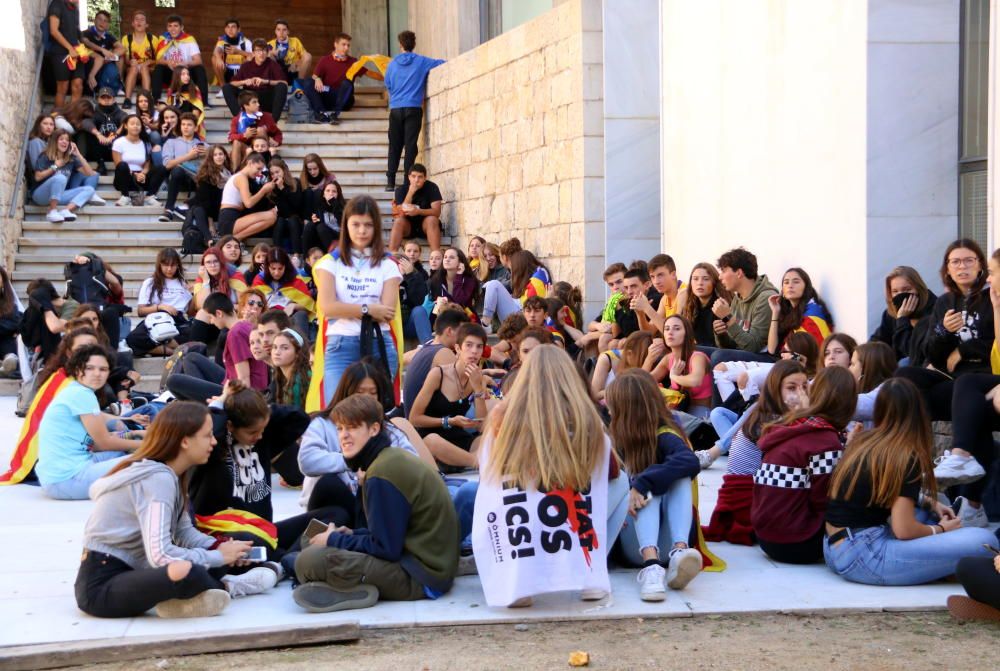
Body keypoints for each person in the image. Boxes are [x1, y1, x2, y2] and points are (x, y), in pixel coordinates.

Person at [76, 401, 282, 619]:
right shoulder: (157, 478)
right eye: (207, 435)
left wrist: (222, 546)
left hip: (137, 571)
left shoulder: (172, 475)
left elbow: (184, 533)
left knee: (224, 553)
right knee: (185, 570)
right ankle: (230, 587)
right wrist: (219, 557)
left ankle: (192, 596)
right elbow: (160, 554)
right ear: (185, 441)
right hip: (101, 586)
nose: (213, 441)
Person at [472, 345, 621, 607]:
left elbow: (488, 472)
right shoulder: (587, 419)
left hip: (521, 520)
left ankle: (520, 585)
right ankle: (590, 577)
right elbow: (607, 471)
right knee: (620, 484)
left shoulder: (502, 416)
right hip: (568, 514)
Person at [293, 394, 458, 612]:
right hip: (423, 563)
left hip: (421, 576)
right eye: (340, 429)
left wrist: (334, 539)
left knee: (307, 562)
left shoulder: (382, 472)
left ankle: (352, 590)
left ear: (374, 429)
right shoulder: (386, 459)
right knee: (310, 540)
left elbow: (386, 549)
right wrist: (350, 535)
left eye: (352, 428)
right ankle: (341, 585)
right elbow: (388, 535)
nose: (344, 436)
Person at [825, 378, 997, 585]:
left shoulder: (865, 441)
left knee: (928, 510)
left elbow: (883, 492)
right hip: (865, 556)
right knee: (984, 542)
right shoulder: (904, 454)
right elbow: (903, 530)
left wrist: (931, 502)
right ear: (918, 413)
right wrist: (941, 530)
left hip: (833, 547)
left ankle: (933, 562)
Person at [606, 369, 704, 600]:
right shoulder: (613, 440)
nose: (608, 411)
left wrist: (642, 482)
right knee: (649, 481)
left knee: (669, 477)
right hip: (633, 542)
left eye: (613, 406)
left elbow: (690, 460)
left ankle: (680, 554)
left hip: (667, 541)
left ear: (628, 410)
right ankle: (651, 567)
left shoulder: (665, 434)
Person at [751, 366, 857, 564]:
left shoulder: (793, 424)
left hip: (765, 537)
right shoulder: (826, 440)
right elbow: (824, 501)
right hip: (797, 543)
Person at [702, 360, 809, 545]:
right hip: (746, 497)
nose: (800, 393)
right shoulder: (770, 416)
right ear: (776, 389)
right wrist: (806, 413)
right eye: (792, 387)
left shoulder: (767, 409)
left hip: (749, 492)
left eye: (805, 387)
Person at [311, 195, 402, 405]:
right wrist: (368, 308)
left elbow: (387, 311)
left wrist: (349, 308)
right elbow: (328, 307)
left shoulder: (388, 264)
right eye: (356, 224)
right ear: (346, 225)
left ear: (376, 227)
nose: (362, 231)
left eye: (368, 225)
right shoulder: (330, 263)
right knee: (337, 411)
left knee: (378, 412)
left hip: (380, 342)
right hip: (341, 343)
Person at [896, 239, 995, 421]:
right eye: (955, 262)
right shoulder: (945, 302)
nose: (962, 266)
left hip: (982, 374)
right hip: (950, 374)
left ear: (980, 265)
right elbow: (932, 353)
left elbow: (996, 342)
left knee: (933, 396)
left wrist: (964, 350)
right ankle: (917, 438)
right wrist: (944, 330)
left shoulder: (992, 297)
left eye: (968, 260)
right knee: (904, 375)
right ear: (948, 269)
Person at [36, 345, 143, 500]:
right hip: (67, 480)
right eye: (90, 368)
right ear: (78, 370)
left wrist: (134, 434)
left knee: (119, 452)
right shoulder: (81, 394)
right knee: (147, 461)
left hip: (58, 476)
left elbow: (97, 443)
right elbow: (104, 442)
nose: (97, 374)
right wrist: (150, 446)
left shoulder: (76, 390)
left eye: (103, 369)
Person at [408, 323, 489, 470]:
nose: (474, 352)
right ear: (458, 348)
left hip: (455, 435)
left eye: (479, 347)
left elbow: (482, 425)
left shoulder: (478, 378)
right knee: (433, 441)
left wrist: (478, 389)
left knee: (489, 439)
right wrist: (450, 421)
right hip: (429, 435)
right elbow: (414, 418)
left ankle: (467, 460)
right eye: (469, 345)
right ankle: (476, 462)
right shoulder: (438, 374)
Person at [383, 31, 445, 191]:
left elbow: (388, 84)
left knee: (394, 145)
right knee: (410, 146)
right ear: (413, 44)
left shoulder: (392, 64)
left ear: (401, 45)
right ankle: (406, 181)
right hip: (414, 108)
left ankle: (390, 181)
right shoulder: (422, 62)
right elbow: (441, 62)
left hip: (396, 108)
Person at [710, 247, 779, 366]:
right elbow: (730, 346)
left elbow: (753, 346)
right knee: (695, 351)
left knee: (719, 356)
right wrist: (721, 333)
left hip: (766, 358)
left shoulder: (766, 298)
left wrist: (728, 319)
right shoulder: (738, 298)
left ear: (739, 273)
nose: (720, 277)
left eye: (723, 271)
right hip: (744, 353)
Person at [306, 32, 383, 125]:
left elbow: (369, 73)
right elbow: (315, 76)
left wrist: (389, 77)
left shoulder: (353, 62)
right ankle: (322, 114)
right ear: (335, 44)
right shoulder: (324, 60)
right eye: (343, 45)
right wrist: (317, 78)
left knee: (347, 82)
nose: (346, 48)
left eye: (348, 45)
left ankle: (335, 114)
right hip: (327, 95)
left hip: (344, 100)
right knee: (309, 82)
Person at [125, 248, 191, 357]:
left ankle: (164, 346)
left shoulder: (183, 283)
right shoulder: (150, 283)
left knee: (191, 335)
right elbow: (141, 311)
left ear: (178, 265)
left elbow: (190, 311)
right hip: (156, 320)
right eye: (165, 265)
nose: (169, 269)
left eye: (173, 265)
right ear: (159, 265)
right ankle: (173, 352)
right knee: (132, 339)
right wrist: (160, 307)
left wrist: (193, 294)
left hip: (177, 321)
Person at [402, 308, 469, 413]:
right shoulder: (444, 353)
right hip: (426, 423)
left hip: (415, 420)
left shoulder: (426, 347)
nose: (465, 338)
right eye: (463, 333)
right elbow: (462, 389)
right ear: (449, 331)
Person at [869, 266, 937, 364]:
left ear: (918, 289)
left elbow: (912, 352)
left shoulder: (934, 310)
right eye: (895, 291)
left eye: (907, 289)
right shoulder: (890, 313)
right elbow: (878, 340)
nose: (901, 295)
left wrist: (902, 319)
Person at [650, 315, 712, 418]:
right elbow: (643, 381)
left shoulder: (698, 357)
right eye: (667, 329)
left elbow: (695, 381)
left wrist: (673, 376)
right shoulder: (668, 359)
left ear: (687, 334)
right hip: (677, 409)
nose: (670, 332)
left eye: (677, 329)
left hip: (701, 413)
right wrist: (649, 359)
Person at [32, 128, 99, 223]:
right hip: (40, 195)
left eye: (67, 140)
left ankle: (66, 210)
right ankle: (52, 211)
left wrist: (78, 155)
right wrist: (55, 167)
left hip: (58, 195)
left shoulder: (70, 159)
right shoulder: (46, 156)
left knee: (90, 190)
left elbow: (90, 174)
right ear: (55, 141)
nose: (65, 142)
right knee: (60, 178)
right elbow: (37, 177)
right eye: (61, 139)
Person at [765, 268, 834, 355]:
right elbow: (772, 349)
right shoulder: (788, 311)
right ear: (782, 291)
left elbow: (806, 356)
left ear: (806, 288)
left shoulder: (812, 314)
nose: (790, 285)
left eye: (796, 282)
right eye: (786, 282)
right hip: (785, 361)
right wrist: (775, 312)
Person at [250, 247, 316, 335]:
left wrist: (294, 306)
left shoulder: (296, 280)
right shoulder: (259, 280)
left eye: (280, 268)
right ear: (267, 266)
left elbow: (309, 306)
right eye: (273, 268)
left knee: (301, 315)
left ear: (286, 266)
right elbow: (251, 303)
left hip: (289, 319)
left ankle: (301, 346)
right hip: (265, 318)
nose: (276, 272)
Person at [480, 249, 552, 330]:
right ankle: (485, 322)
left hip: (521, 318)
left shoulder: (536, 282)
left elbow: (529, 308)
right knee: (492, 284)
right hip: (519, 306)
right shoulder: (538, 274)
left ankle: (485, 324)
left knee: (493, 284)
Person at [222, 39, 288, 122]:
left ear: (267, 53)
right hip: (249, 98)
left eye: (264, 50)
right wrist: (244, 81)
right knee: (226, 87)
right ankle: (241, 118)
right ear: (253, 53)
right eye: (258, 51)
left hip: (266, 98)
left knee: (281, 87)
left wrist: (266, 81)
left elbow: (284, 83)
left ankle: (273, 121)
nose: (261, 53)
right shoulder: (246, 66)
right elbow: (232, 83)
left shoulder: (272, 64)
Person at [151, 15, 210, 106]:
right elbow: (158, 60)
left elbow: (198, 60)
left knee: (200, 69)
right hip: (171, 74)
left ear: (181, 27)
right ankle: (155, 100)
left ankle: (204, 102)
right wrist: (168, 62)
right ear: (167, 28)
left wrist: (184, 63)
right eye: (170, 26)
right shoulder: (164, 39)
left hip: (186, 74)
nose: (172, 29)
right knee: (158, 68)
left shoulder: (189, 39)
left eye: (176, 26)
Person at [218, 153, 278, 240]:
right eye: (258, 169)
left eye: (261, 170)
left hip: (234, 217)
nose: (259, 173)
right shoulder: (241, 177)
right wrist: (264, 190)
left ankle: (235, 238)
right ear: (250, 163)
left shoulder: (242, 177)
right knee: (271, 216)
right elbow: (248, 203)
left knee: (271, 216)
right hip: (229, 221)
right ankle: (235, 239)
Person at [112, 115, 167, 207]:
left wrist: (143, 174)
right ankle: (125, 196)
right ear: (126, 126)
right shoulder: (119, 142)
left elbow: (147, 164)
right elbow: (118, 164)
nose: (135, 126)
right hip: (124, 178)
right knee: (122, 165)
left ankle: (150, 196)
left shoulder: (146, 143)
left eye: (138, 124)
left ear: (141, 127)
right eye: (132, 124)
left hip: (141, 179)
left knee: (161, 168)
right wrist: (134, 174)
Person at [159, 112, 205, 221]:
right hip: (179, 180)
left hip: (197, 180)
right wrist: (189, 156)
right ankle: (169, 209)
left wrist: (208, 153)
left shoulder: (202, 145)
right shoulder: (171, 142)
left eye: (189, 125)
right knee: (177, 170)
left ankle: (189, 207)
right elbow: (167, 164)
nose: (185, 127)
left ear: (195, 128)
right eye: (183, 124)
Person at [389, 164, 444, 252]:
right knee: (398, 221)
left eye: (420, 177)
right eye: (413, 176)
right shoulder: (401, 190)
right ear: (409, 177)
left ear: (425, 178)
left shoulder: (432, 187)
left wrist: (418, 211)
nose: (416, 180)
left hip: (426, 226)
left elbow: (437, 212)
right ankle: (391, 257)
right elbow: (401, 213)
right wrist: (411, 192)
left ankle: (436, 255)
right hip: (408, 226)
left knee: (432, 220)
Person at [185, 144, 231, 245]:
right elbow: (205, 202)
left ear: (225, 156)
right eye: (215, 155)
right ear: (211, 158)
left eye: (221, 154)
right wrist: (211, 225)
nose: (219, 157)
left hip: (222, 209)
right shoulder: (205, 176)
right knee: (198, 209)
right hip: (207, 210)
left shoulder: (229, 174)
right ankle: (209, 238)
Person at [678, 262, 731, 348]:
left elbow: (729, 344)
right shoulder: (690, 305)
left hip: (717, 352)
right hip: (698, 352)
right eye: (695, 279)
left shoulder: (721, 304)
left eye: (706, 279)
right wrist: (681, 305)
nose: (700, 283)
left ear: (714, 282)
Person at [228, 91, 283, 171]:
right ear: (246, 106)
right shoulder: (237, 119)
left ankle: (264, 167)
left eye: (258, 102)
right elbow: (231, 136)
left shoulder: (266, 116)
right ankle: (234, 172)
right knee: (236, 142)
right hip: (247, 148)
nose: (258, 104)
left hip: (262, 147)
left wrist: (277, 141)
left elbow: (277, 133)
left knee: (260, 130)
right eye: (254, 102)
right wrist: (244, 135)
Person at [47, 0, 84, 108]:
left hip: (76, 52)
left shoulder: (75, 9)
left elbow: (76, 32)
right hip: (60, 52)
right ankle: (58, 119)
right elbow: (53, 30)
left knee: (78, 85)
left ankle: (73, 117)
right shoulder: (56, 4)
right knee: (62, 87)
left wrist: (84, 47)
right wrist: (69, 48)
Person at [268, 158, 306, 259]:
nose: (275, 175)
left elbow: (296, 206)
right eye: (272, 173)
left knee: (292, 219)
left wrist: (283, 189)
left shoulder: (295, 182)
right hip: (280, 221)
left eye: (277, 172)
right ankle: (277, 255)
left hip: (295, 220)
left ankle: (296, 255)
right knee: (280, 220)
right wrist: (277, 190)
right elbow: (281, 210)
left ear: (284, 170)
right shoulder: (271, 188)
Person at [121, 11, 159, 109]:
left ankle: (146, 99)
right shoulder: (127, 39)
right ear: (133, 24)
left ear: (146, 25)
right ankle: (127, 99)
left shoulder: (153, 39)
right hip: (132, 71)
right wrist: (130, 62)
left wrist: (149, 62)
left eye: (142, 20)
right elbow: (125, 60)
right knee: (133, 68)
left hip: (148, 70)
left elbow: (158, 59)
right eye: (136, 19)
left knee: (144, 68)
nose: (139, 22)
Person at [428, 247, 479, 316]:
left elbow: (460, 302)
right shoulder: (436, 280)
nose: (447, 260)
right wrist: (438, 303)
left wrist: (459, 276)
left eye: (451, 257)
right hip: (442, 318)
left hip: (465, 318)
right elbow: (434, 308)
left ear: (460, 262)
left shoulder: (469, 280)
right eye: (445, 257)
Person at [81, 10, 123, 94]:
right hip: (87, 65)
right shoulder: (86, 33)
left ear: (107, 25)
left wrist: (112, 55)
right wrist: (102, 50)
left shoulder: (108, 36)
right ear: (94, 20)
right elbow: (87, 42)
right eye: (100, 19)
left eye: (105, 21)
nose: (102, 22)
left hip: (103, 64)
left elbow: (122, 48)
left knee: (119, 58)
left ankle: (120, 83)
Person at [271, 328, 311, 409]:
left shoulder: (301, 379)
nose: (277, 352)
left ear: (297, 353)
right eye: (275, 347)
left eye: (285, 348)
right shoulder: (281, 377)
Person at [211, 18, 252, 94]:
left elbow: (254, 56)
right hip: (227, 72)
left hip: (242, 73)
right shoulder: (222, 41)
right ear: (225, 30)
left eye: (233, 27)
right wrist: (219, 58)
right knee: (214, 58)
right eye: (228, 27)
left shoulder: (245, 41)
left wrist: (238, 51)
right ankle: (224, 88)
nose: (230, 30)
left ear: (238, 29)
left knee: (250, 59)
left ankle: (244, 86)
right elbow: (216, 51)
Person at [304, 179, 344, 253]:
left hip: (339, 236)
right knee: (310, 225)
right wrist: (315, 220)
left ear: (338, 194)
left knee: (321, 227)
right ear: (323, 194)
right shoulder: (320, 207)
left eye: (334, 191)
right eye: (328, 191)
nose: (330, 193)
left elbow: (342, 223)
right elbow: (320, 224)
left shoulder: (342, 207)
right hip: (324, 237)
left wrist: (333, 203)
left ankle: (333, 254)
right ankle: (306, 257)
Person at [164, 67, 206, 137]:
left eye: (188, 74)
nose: (187, 76)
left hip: (189, 124)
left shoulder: (194, 90)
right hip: (175, 125)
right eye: (183, 74)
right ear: (177, 76)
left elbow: (196, 113)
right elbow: (170, 110)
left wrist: (186, 125)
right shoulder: (171, 91)